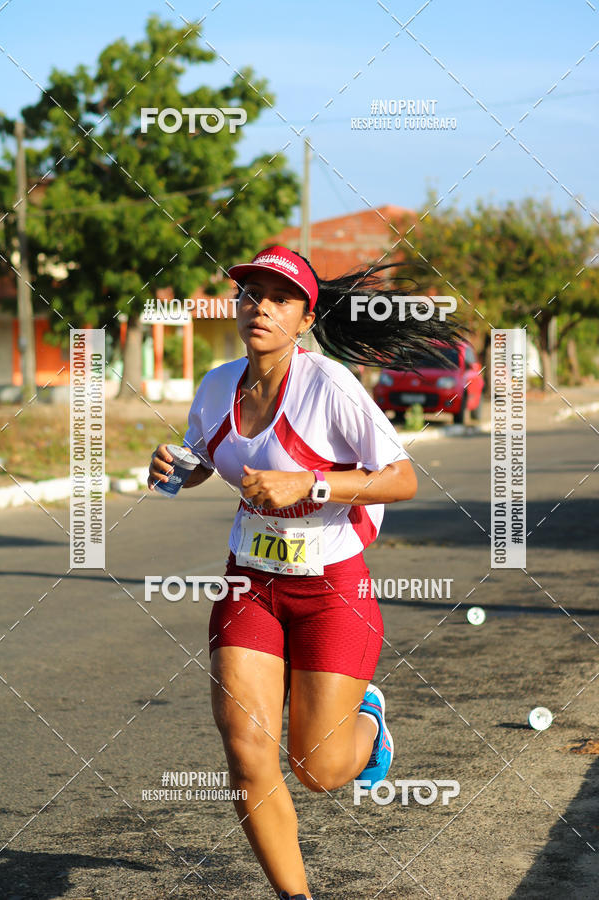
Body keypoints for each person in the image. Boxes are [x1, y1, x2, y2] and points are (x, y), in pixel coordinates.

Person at [148, 245, 461, 900]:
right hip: (250, 583)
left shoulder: (328, 386)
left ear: (303, 317)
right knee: (246, 754)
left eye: (279, 298)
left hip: (331, 591)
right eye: (250, 293)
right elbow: (206, 459)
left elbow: (401, 479)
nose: (259, 306)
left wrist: (310, 484)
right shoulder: (215, 385)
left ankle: (369, 721)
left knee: (317, 769)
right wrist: (176, 467)